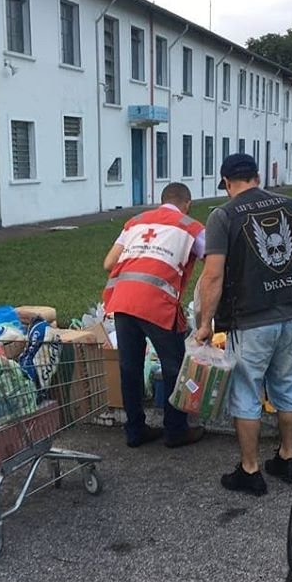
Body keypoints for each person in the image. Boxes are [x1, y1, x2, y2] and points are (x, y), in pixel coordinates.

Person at [196, 153, 292, 496]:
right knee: (289, 387)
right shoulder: (290, 205)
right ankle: (287, 458)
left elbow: (213, 275)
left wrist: (204, 325)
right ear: (257, 177)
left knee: (245, 392)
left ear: (228, 182)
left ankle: (250, 470)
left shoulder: (223, 214)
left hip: (250, 319)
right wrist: (291, 262)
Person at [102, 182, 206, 448]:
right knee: (174, 366)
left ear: (162, 201)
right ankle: (175, 431)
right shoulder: (192, 227)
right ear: (187, 203)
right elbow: (214, 258)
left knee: (130, 367)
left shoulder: (135, 221)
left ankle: (135, 430)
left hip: (123, 300)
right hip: (157, 303)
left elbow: (109, 263)